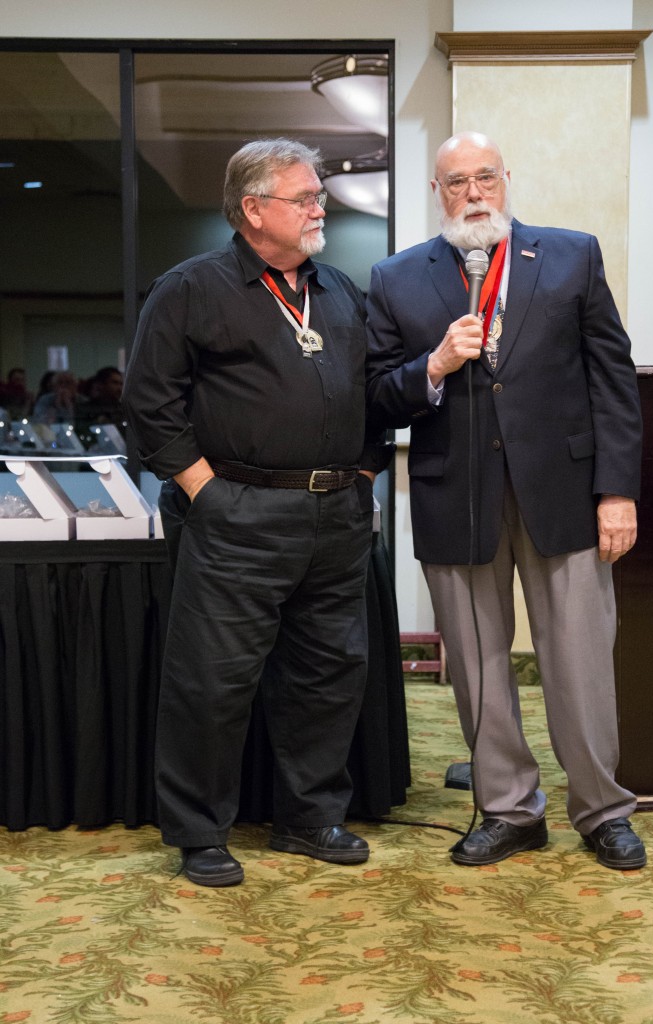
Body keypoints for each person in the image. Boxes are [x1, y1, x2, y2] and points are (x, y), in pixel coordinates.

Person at [365, 131, 646, 871]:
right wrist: (430, 365)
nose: (473, 193)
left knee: (579, 662)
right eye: (456, 182)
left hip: (565, 494)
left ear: (505, 179)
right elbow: (375, 395)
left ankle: (602, 809)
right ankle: (508, 809)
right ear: (438, 193)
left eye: (484, 177)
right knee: (481, 668)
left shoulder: (569, 254)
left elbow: (611, 380)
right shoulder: (396, 278)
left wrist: (617, 491)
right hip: (454, 497)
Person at [123, 137, 389, 888]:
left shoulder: (337, 290)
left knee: (328, 676)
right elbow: (150, 404)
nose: (319, 208)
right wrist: (206, 489)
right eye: (303, 198)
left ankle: (309, 821)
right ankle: (200, 834)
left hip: (335, 514)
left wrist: (364, 471)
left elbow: (370, 391)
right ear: (252, 209)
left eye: (317, 196)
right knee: (212, 682)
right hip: (237, 515)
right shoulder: (190, 288)